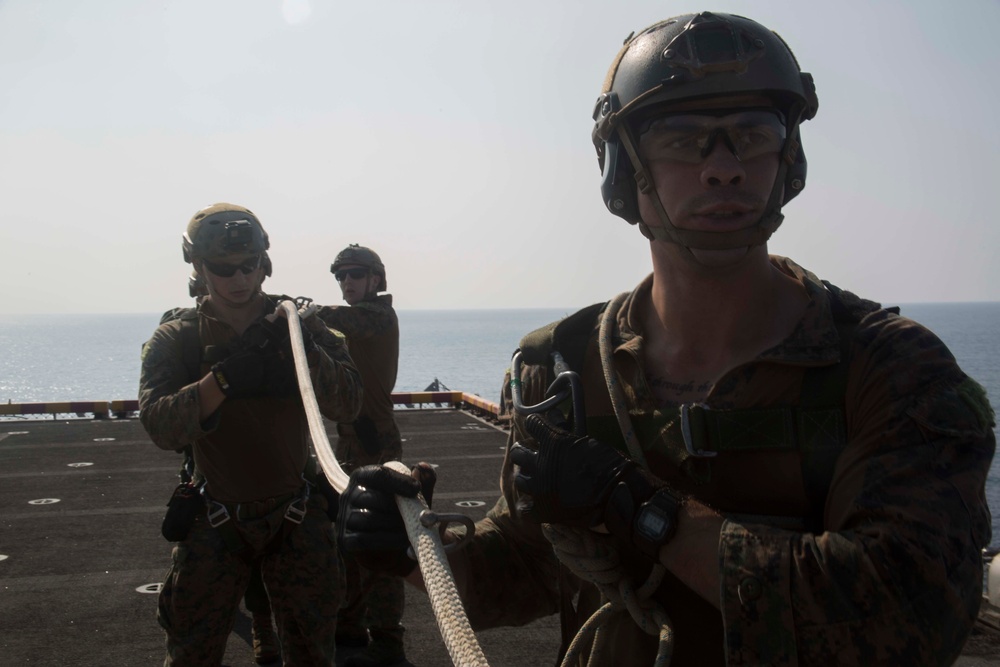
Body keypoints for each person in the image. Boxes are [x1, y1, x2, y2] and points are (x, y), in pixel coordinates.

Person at [336, 12, 997, 666]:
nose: (724, 169)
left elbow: (907, 616)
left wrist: (644, 511)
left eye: (752, 135)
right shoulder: (561, 365)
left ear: (787, 157)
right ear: (626, 168)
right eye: (683, 139)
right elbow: (530, 563)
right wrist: (418, 548)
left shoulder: (893, 371)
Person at [140, 202, 363, 666]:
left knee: (313, 651)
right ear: (198, 268)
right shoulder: (177, 337)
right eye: (224, 269)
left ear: (265, 263)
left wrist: (304, 353)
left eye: (250, 266)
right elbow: (159, 424)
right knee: (191, 652)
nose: (240, 279)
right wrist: (221, 381)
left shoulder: (301, 323)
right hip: (214, 516)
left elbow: (349, 404)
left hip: (295, 515)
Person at [317, 244, 406, 667]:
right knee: (345, 540)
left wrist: (302, 312)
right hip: (350, 441)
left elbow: (338, 319)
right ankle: (350, 623)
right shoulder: (351, 323)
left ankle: (389, 639)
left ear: (375, 279)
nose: (347, 282)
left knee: (382, 545)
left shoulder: (378, 316)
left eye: (354, 274)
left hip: (377, 443)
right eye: (341, 276)